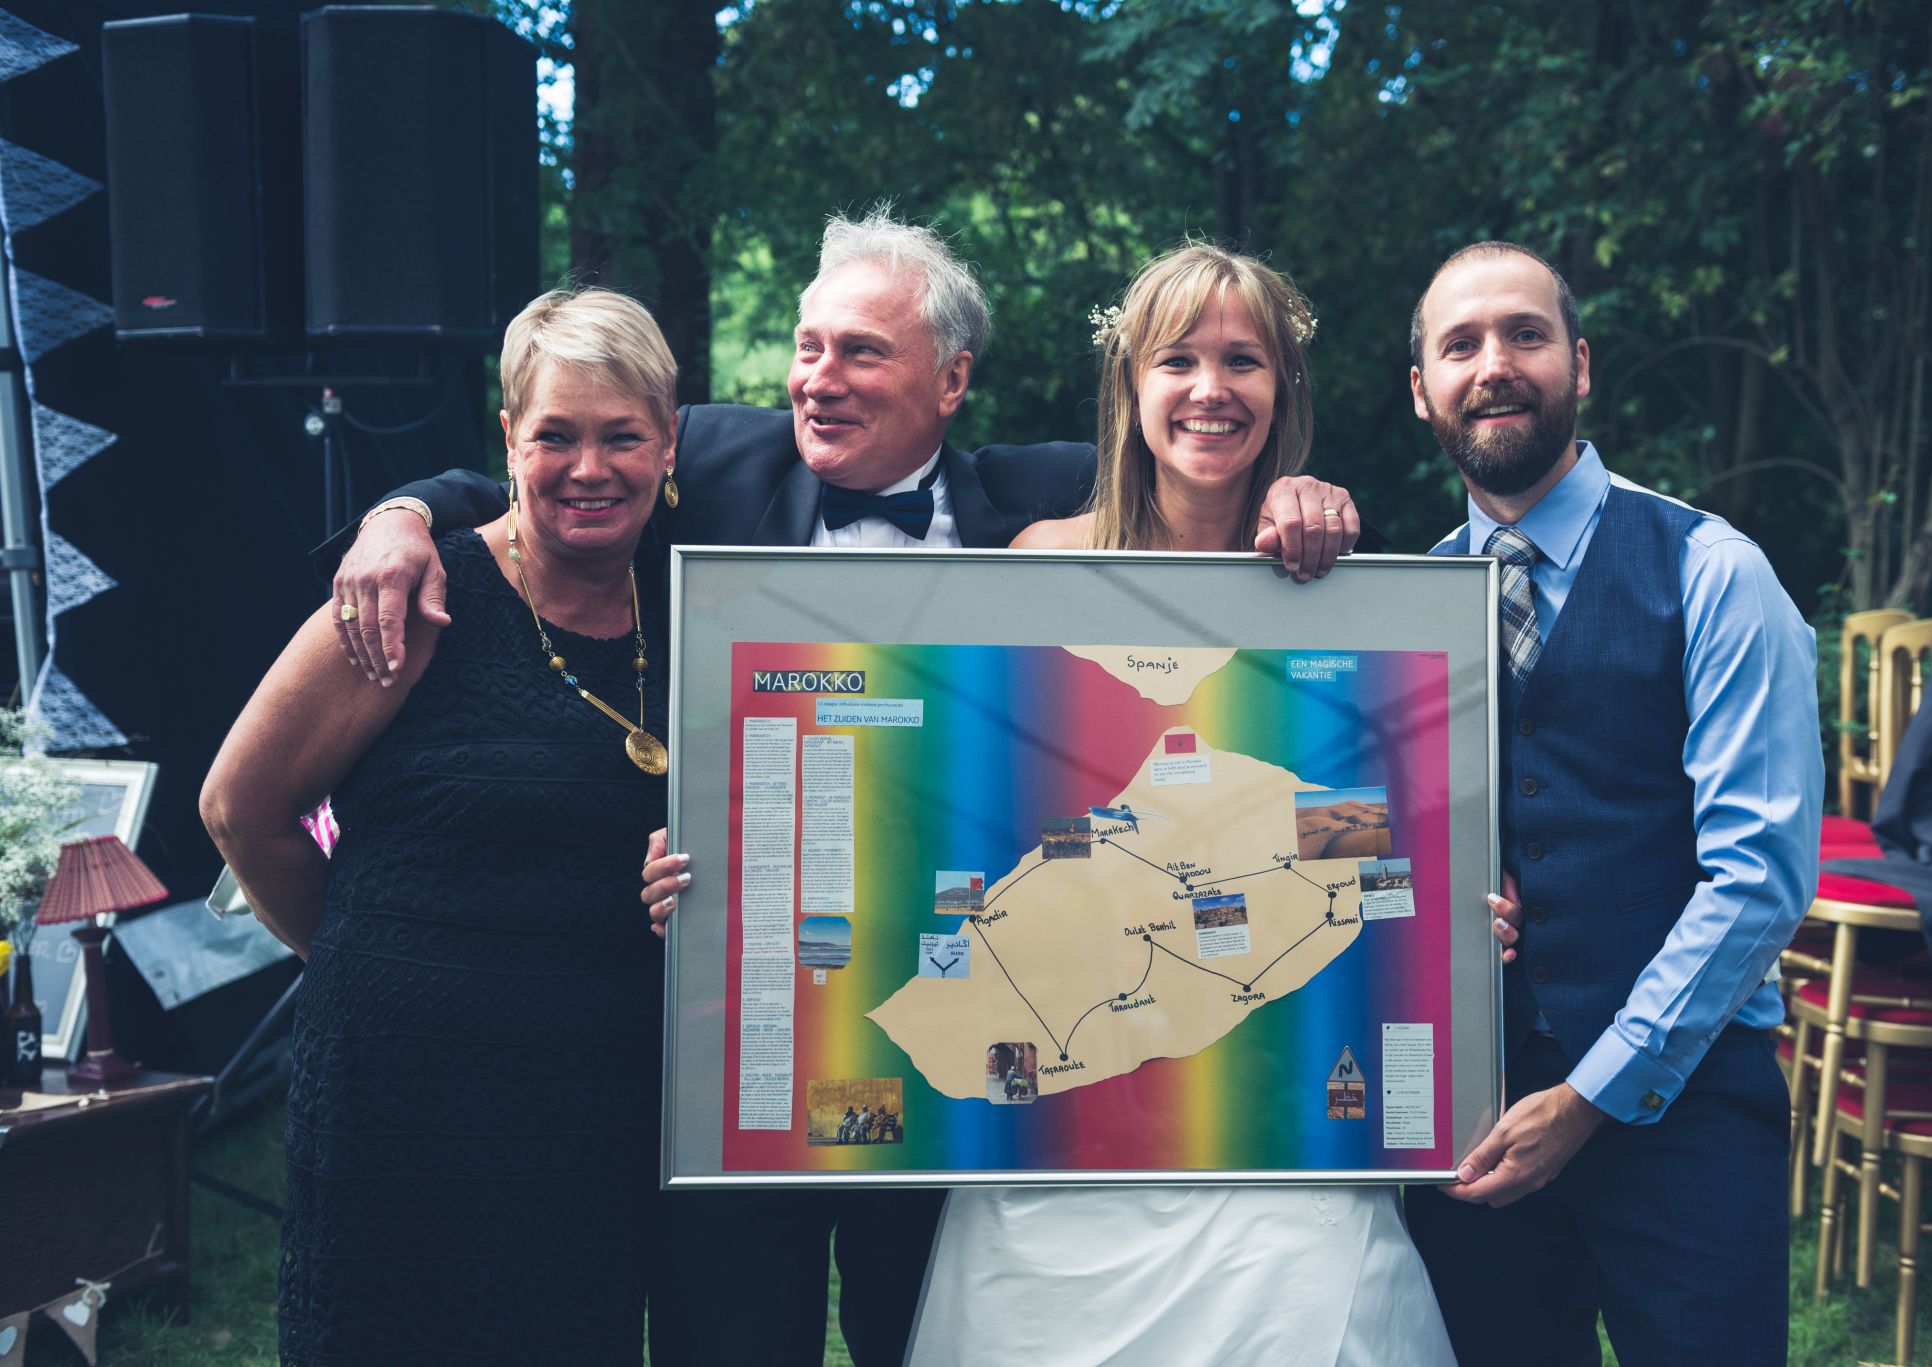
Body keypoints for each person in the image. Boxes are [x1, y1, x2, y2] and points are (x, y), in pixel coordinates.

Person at [337, 208, 1370, 1367]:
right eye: (807, 346)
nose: (817, 379)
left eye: (861, 352)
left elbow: (1196, 467)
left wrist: (1300, 492)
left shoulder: (1039, 501)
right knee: (727, 1339)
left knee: (917, 1326)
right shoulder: (706, 459)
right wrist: (402, 511)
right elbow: (541, 451)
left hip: (950, 1014)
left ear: (951, 379)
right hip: (749, 1017)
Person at [898, 242, 1459, 1367]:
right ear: (1130, 384)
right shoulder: (1038, 565)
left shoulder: (1343, 591)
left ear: (1282, 391)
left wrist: (1438, 898)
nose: (1211, 388)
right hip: (1063, 1113)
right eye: (1178, 359)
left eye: (1243, 360)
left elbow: (1369, 819)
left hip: (1274, 1111)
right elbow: (970, 802)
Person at [201, 288, 677, 1363]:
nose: (589, 468)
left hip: (590, 1111)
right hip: (398, 1100)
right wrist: (357, 948)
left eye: (621, 436)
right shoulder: (416, 593)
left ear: (669, 440)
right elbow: (238, 806)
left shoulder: (696, 600)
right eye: (554, 435)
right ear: (508, 439)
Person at [1399, 241, 1822, 1366]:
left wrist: (1589, 1096)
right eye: (1460, 345)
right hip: (1478, 1115)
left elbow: (1759, 879)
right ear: (1422, 390)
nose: (1494, 364)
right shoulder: (1405, 607)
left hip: (1687, 1108)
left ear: (1578, 365)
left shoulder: (1714, 571)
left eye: (1525, 335)